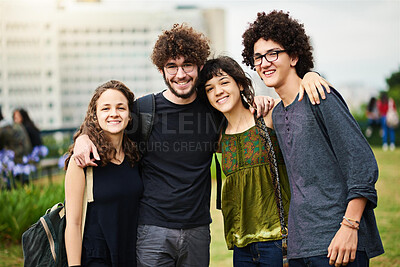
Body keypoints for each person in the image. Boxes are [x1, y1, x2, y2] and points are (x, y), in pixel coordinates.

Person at [73, 24, 329, 267]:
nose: (180, 73)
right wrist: (83, 136)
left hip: (197, 231)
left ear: (200, 66)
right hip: (152, 231)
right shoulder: (144, 110)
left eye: (188, 65)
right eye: (171, 66)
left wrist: (304, 78)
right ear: (161, 70)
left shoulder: (214, 108)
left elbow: (243, 116)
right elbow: (108, 123)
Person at [242, 10, 384, 267]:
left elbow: (362, 164)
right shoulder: (277, 111)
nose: (264, 63)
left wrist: (350, 226)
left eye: (273, 53)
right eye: (258, 57)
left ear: (294, 56)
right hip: (299, 247)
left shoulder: (320, 96)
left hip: (338, 242)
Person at [198, 56, 292, 266]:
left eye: (224, 82)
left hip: (279, 241)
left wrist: (311, 77)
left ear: (239, 83)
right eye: (209, 88)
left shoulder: (267, 116)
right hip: (241, 246)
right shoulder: (219, 138)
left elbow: (294, 101)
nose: (218, 91)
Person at [64, 80, 143, 266]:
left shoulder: (135, 156)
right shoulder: (82, 161)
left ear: (130, 115)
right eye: (105, 108)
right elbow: (73, 224)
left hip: (129, 256)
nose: (114, 114)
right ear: (95, 115)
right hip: (95, 258)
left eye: (121, 108)